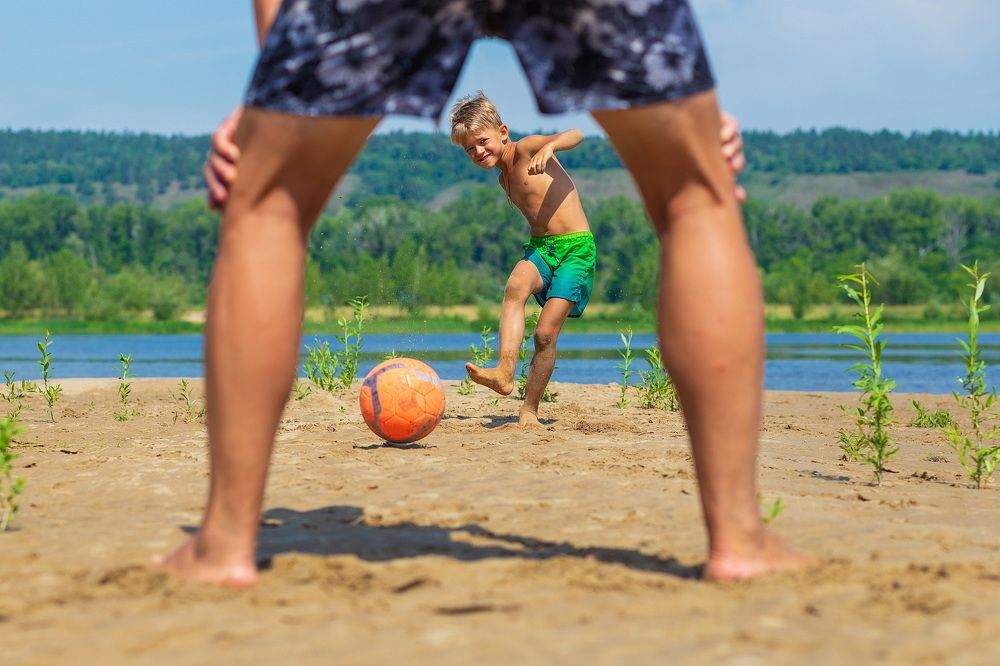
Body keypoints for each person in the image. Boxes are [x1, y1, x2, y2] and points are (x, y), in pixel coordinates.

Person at [156, 0, 811, 586]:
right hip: (548, 242)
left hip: (571, 246)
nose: (478, 152)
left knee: (268, 202)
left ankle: (225, 544)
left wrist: (274, 85)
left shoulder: (526, 147)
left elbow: (574, 137)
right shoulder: (496, 172)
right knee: (696, 198)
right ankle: (739, 540)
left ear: (497, 132)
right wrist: (690, 122)